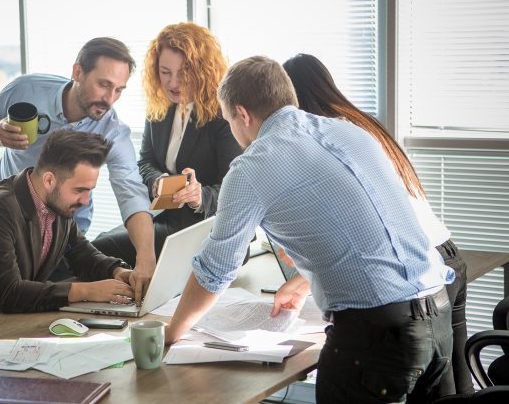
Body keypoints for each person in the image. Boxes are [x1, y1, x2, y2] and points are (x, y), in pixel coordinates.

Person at [164, 56, 455, 404]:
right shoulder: (349, 132)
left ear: (242, 114)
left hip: (376, 337)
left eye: (229, 122)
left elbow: (215, 272)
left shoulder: (251, 167)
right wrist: (305, 281)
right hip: (438, 316)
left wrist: (170, 333)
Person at [282, 52, 473, 396]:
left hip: (417, 268)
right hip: (445, 256)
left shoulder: (331, 141)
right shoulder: (360, 125)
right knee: (458, 386)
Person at [0, 37, 155, 300]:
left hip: (61, 237)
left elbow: (131, 192)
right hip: (6, 225)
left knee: (50, 311)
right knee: (5, 299)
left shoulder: (113, 131)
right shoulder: (28, 89)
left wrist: (145, 258)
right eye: (104, 84)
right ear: (78, 71)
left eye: (119, 90)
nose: (109, 99)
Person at [0, 130, 135, 318]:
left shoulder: (59, 204)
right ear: (49, 180)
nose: (85, 200)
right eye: (79, 190)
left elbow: (82, 254)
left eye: (89, 190)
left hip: (15, 319)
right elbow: (9, 294)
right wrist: (88, 291)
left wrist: (118, 272)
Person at [91, 22, 242, 265]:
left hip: (207, 230)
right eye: (165, 72)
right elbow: (145, 162)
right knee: (98, 245)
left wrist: (198, 196)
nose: (173, 83)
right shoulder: (159, 107)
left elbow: (234, 190)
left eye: (183, 72)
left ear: (203, 71)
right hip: (165, 216)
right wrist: (157, 181)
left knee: (100, 249)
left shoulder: (223, 116)